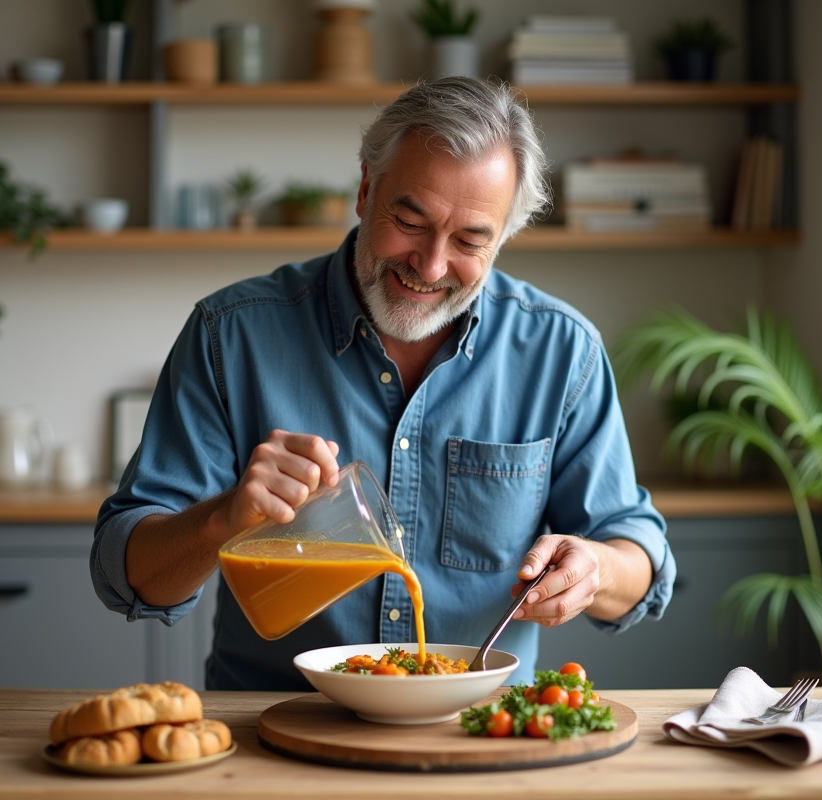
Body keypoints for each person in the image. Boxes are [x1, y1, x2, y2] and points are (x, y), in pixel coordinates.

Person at [91, 76, 676, 690]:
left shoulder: (562, 351)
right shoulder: (230, 335)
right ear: (367, 189)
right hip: (276, 735)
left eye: (471, 241)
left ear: (503, 238)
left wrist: (597, 570)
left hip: (481, 736)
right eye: (410, 220)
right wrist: (223, 519)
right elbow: (126, 574)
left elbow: (638, 556)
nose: (429, 266)